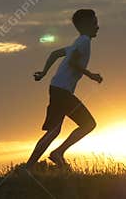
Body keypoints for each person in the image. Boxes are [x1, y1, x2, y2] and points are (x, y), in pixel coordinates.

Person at [26, 9, 102, 169]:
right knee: (88, 124)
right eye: (94, 23)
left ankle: (29, 167)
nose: (97, 26)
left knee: (54, 130)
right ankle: (56, 154)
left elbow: (55, 53)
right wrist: (91, 75)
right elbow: (73, 62)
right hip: (62, 91)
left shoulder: (78, 41)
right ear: (84, 25)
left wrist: (44, 72)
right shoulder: (84, 41)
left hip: (57, 88)